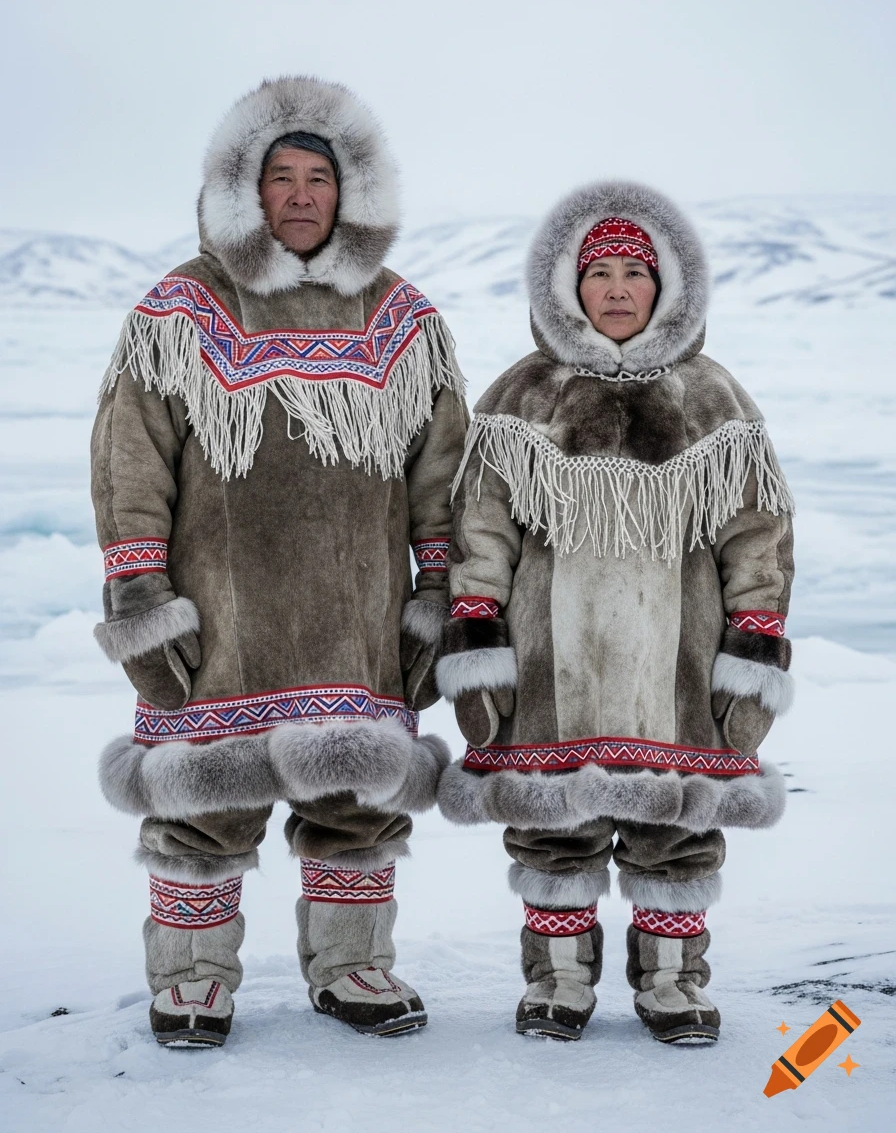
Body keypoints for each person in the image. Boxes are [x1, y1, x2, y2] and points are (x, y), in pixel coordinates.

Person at [92, 76, 468, 1045]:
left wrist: (439, 595)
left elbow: (444, 473)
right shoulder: (181, 308)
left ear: (352, 193)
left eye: (319, 178)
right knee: (206, 802)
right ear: (241, 189)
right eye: (280, 177)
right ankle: (193, 977)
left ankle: (352, 961)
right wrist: (141, 596)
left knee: (354, 796)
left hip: (358, 612)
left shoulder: (401, 317)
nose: (300, 195)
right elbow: (129, 463)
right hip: (224, 613)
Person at [436, 183, 794, 1044]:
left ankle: (672, 984)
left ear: (669, 286)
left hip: (673, 671)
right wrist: (478, 640)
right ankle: (558, 983)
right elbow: (477, 530)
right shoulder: (521, 396)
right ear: (567, 287)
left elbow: (759, 539)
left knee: (676, 834)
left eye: (637, 271)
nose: (620, 288)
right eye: (600, 272)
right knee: (553, 833)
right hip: (552, 667)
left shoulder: (714, 399)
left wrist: (754, 649)